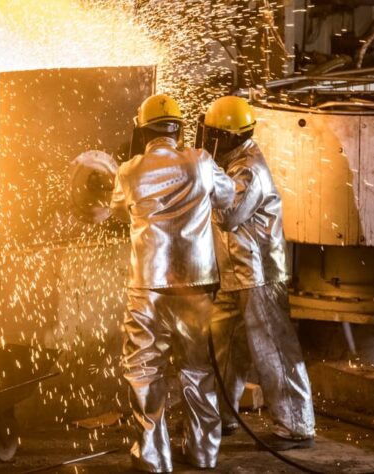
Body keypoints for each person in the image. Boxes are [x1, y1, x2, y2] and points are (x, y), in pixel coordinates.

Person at [110, 93, 236, 471]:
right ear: (178, 129)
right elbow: (228, 196)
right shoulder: (201, 161)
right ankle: (204, 452)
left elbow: (118, 212)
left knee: (144, 372)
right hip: (196, 286)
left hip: (148, 288)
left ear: (142, 132)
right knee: (198, 370)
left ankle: (154, 457)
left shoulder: (129, 171)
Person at [200, 96, 316, 450]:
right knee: (223, 347)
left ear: (229, 136)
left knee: (273, 350)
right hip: (234, 275)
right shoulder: (229, 162)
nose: (208, 140)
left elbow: (227, 216)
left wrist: (199, 179)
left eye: (213, 134)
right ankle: (218, 415)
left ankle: (296, 425)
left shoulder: (249, 169)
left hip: (260, 276)